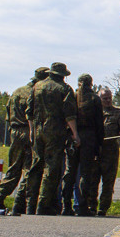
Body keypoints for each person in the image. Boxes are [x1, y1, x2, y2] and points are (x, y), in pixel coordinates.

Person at [25, 62, 79, 216]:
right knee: (52, 169)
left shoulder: (36, 87)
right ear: (62, 75)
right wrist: (75, 133)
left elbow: (29, 111)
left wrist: (31, 131)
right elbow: (69, 114)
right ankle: (43, 205)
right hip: (55, 132)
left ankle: (30, 205)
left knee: (35, 167)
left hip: (37, 130)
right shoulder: (64, 89)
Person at [0, 68, 46, 215]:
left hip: (15, 131)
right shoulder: (36, 93)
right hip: (29, 131)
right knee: (29, 169)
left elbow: (8, 114)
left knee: (13, 168)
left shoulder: (16, 92)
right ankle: (19, 203)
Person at [71, 73, 102, 215]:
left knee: (70, 172)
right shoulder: (94, 99)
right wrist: (99, 145)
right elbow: (99, 124)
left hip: (73, 135)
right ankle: (83, 206)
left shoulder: (72, 97)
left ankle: (66, 205)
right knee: (85, 172)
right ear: (91, 83)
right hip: (89, 137)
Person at [94, 87, 120, 216]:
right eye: (104, 98)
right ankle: (91, 206)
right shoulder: (93, 112)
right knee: (92, 180)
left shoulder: (119, 112)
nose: (107, 101)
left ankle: (103, 208)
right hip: (95, 151)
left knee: (108, 182)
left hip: (110, 152)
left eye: (109, 98)